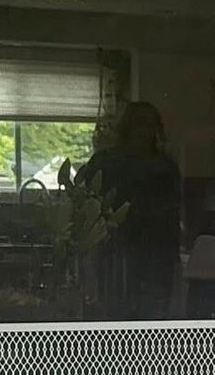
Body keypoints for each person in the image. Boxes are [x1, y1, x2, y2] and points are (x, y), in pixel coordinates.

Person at [73, 102, 183, 318]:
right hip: (114, 256)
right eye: (138, 123)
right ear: (126, 127)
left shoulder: (164, 166)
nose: (144, 129)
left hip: (154, 257)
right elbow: (87, 207)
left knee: (148, 324)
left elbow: (173, 214)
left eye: (150, 123)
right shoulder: (105, 162)